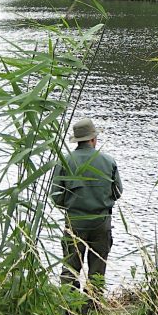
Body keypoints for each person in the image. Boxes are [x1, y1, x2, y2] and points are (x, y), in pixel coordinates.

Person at [51, 117, 122, 294]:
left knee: (70, 268)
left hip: (74, 223)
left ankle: (69, 304)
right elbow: (118, 192)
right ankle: (94, 303)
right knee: (98, 270)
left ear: (78, 140)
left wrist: (72, 205)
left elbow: (56, 197)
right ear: (93, 139)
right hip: (101, 222)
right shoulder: (109, 161)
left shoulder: (65, 161)